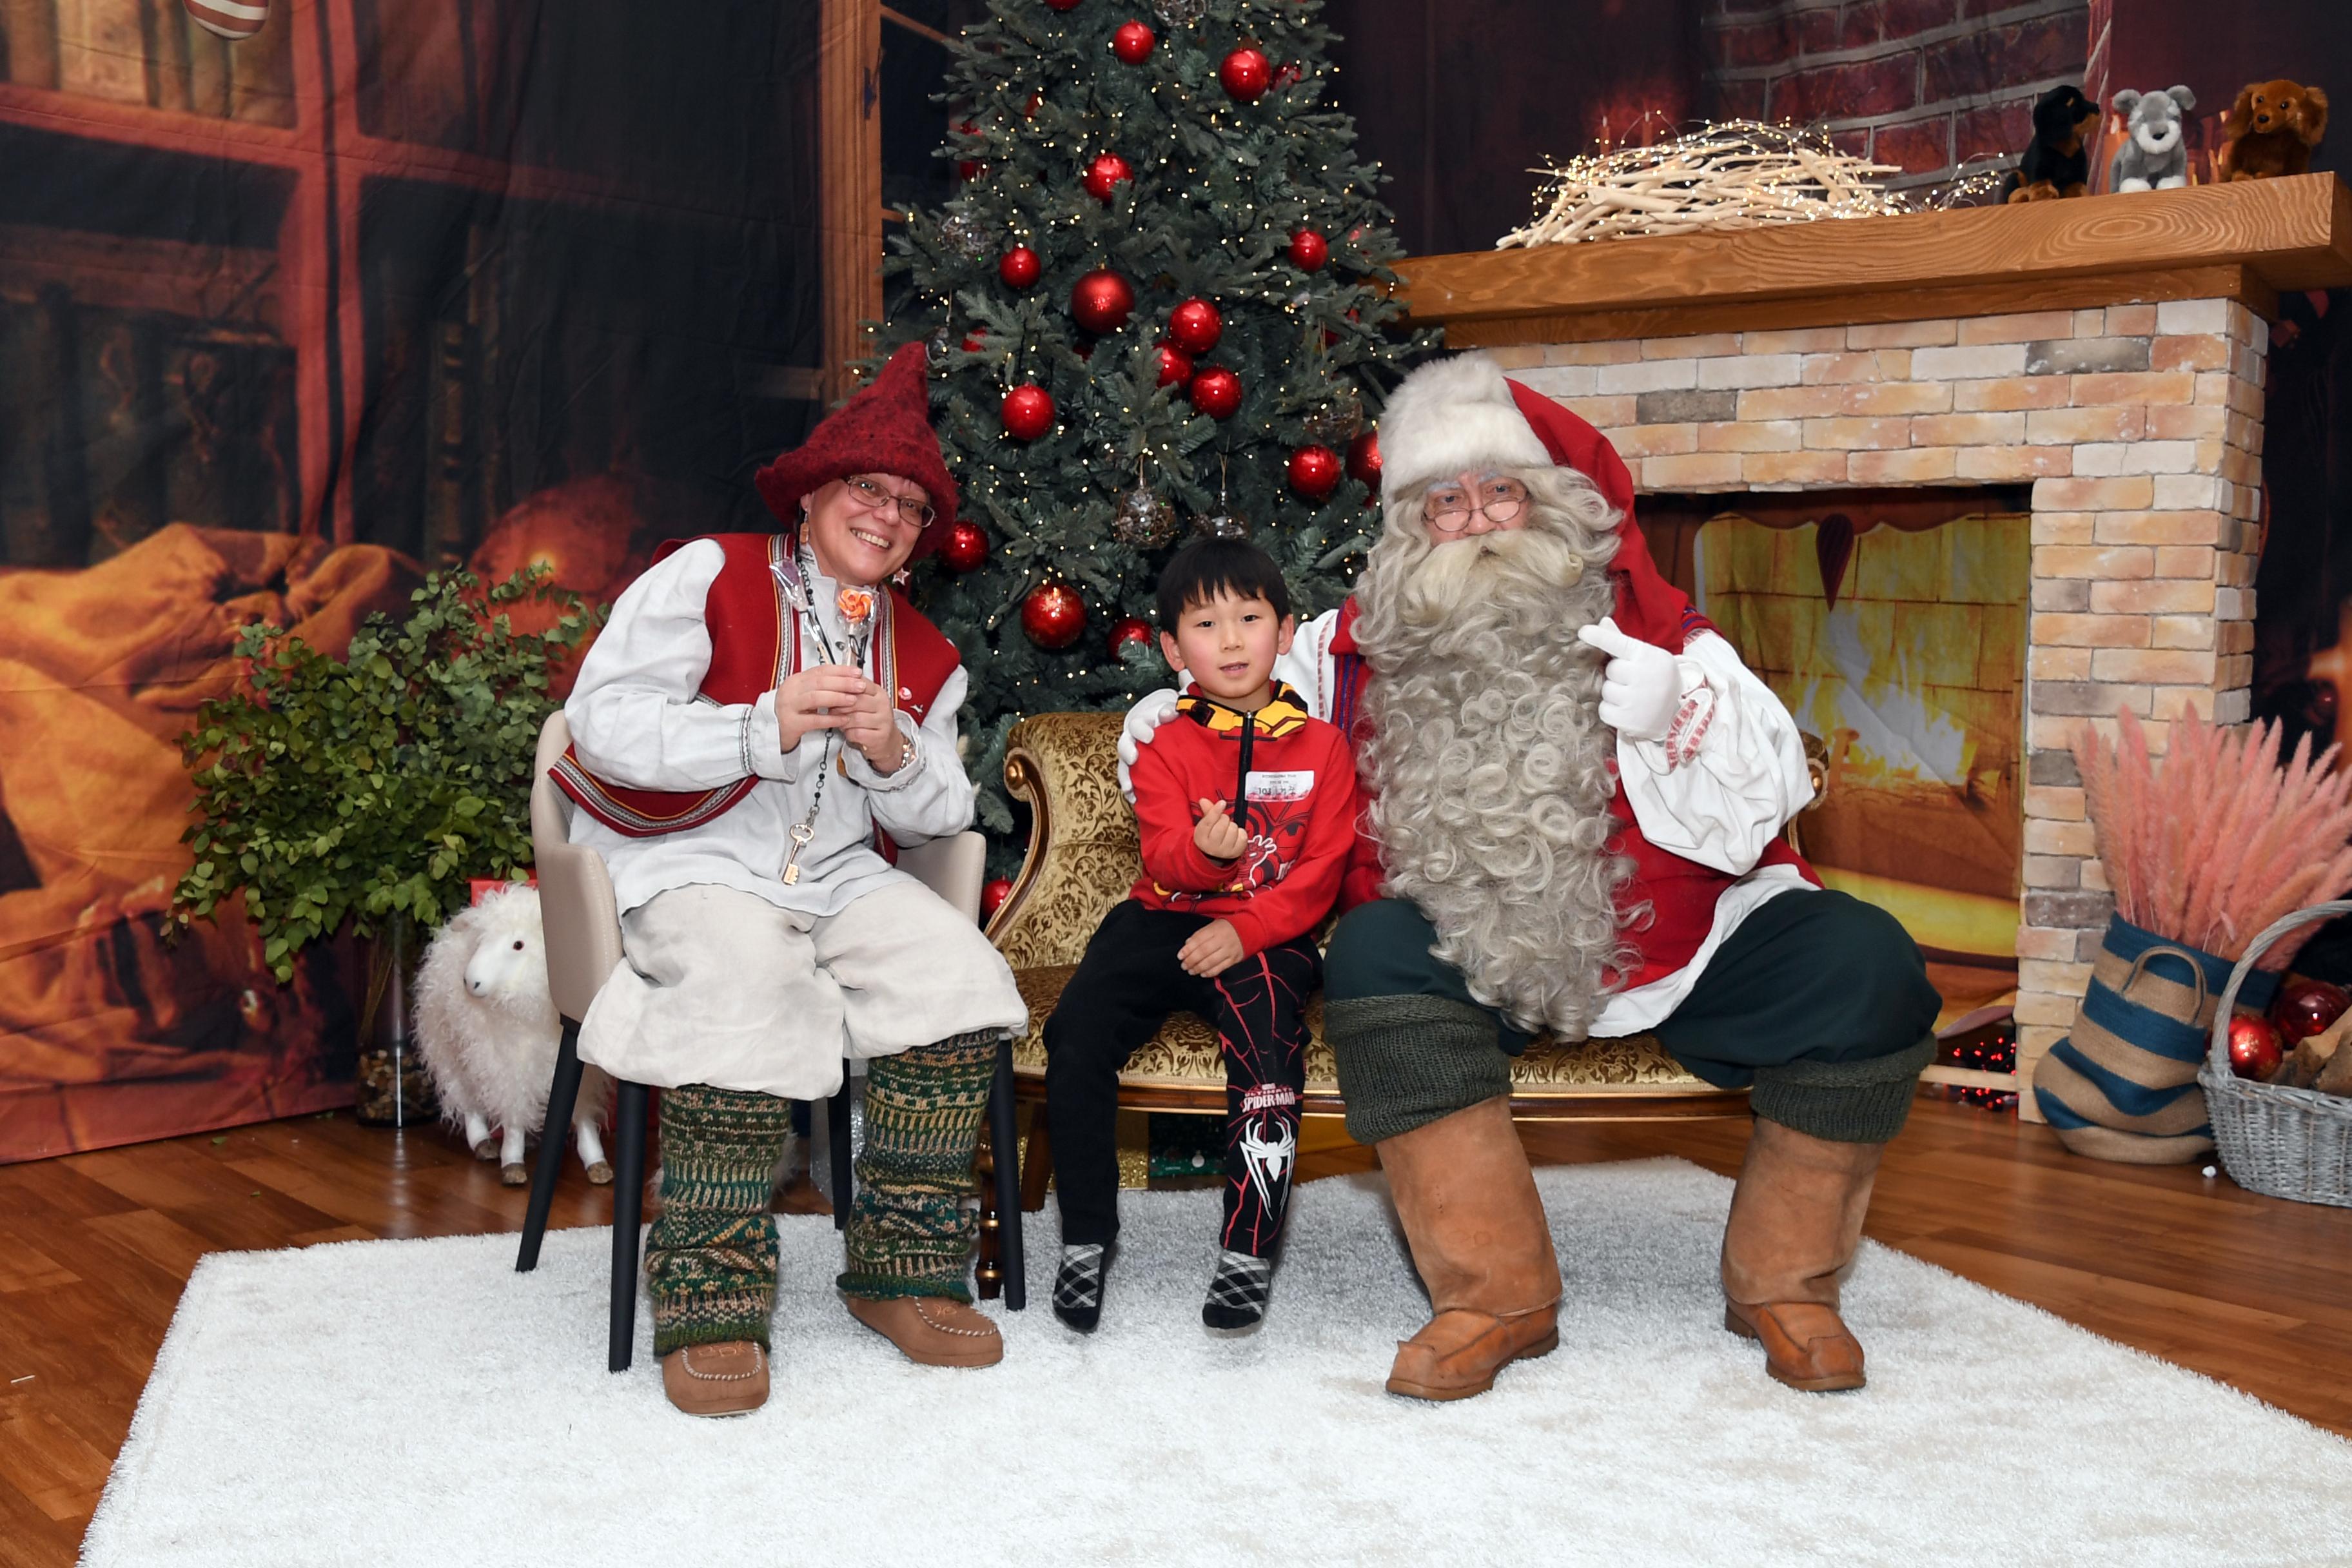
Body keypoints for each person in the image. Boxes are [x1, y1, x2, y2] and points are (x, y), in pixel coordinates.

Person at [1119, 353, 1942, 1400]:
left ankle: (1785, 1283)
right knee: (1377, 948)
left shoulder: (1660, 638)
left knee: (1863, 960)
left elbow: (1770, 786)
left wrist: (1671, 715)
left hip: (1676, 943)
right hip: (1474, 948)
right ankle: (1493, 1292)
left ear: (1552, 505)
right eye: (1445, 502)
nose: (1476, 521)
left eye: (1500, 491)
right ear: (1412, 525)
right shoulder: (1339, 651)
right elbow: (1215, 691)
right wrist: (1168, 729)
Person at [556, 344, 1027, 1416]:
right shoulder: (708, 573)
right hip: (694, 862)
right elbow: (602, 721)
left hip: (835, 879)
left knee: (957, 977)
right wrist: (754, 725)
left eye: (910, 505)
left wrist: (894, 750)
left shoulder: (919, 650)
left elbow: (943, 813)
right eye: (869, 487)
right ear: (814, 493)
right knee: (741, 980)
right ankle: (710, 1296)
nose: (888, 514)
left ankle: (901, 1273)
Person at [1043, 536, 1358, 1333]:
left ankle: (1248, 1251)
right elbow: (1161, 855)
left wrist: (1244, 926)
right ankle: (1084, 1237)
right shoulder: (1163, 743)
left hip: (1268, 933)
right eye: (1206, 624)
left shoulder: (1325, 748)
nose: (1230, 640)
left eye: (1249, 618)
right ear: (1175, 648)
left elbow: (1320, 873)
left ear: (1285, 632)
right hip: (1161, 916)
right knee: (1075, 1031)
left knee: (1269, 1049)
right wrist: (1209, 857)